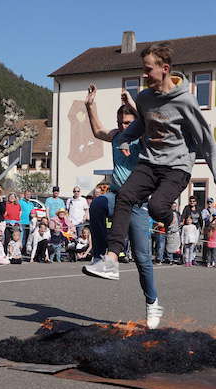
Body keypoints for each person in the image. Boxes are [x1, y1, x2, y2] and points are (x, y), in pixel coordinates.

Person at [85, 42, 216, 283]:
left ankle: (172, 220)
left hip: (177, 166)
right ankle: (111, 259)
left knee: (156, 207)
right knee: (125, 196)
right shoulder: (144, 98)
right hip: (151, 162)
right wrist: (126, 138)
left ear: (165, 69)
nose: (144, 75)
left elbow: (205, 138)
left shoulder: (185, 101)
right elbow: (142, 123)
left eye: (148, 69)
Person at [83, 84, 164, 327]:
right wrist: (90, 105)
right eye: (121, 122)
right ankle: (102, 259)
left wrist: (133, 102)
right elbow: (98, 131)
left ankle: (152, 303)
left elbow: (149, 123)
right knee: (98, 204)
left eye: (128, 122)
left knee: (142, 259)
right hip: (117, 197)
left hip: (137, 205)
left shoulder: (144, 139)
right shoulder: (117, 137)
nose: (124, 126)